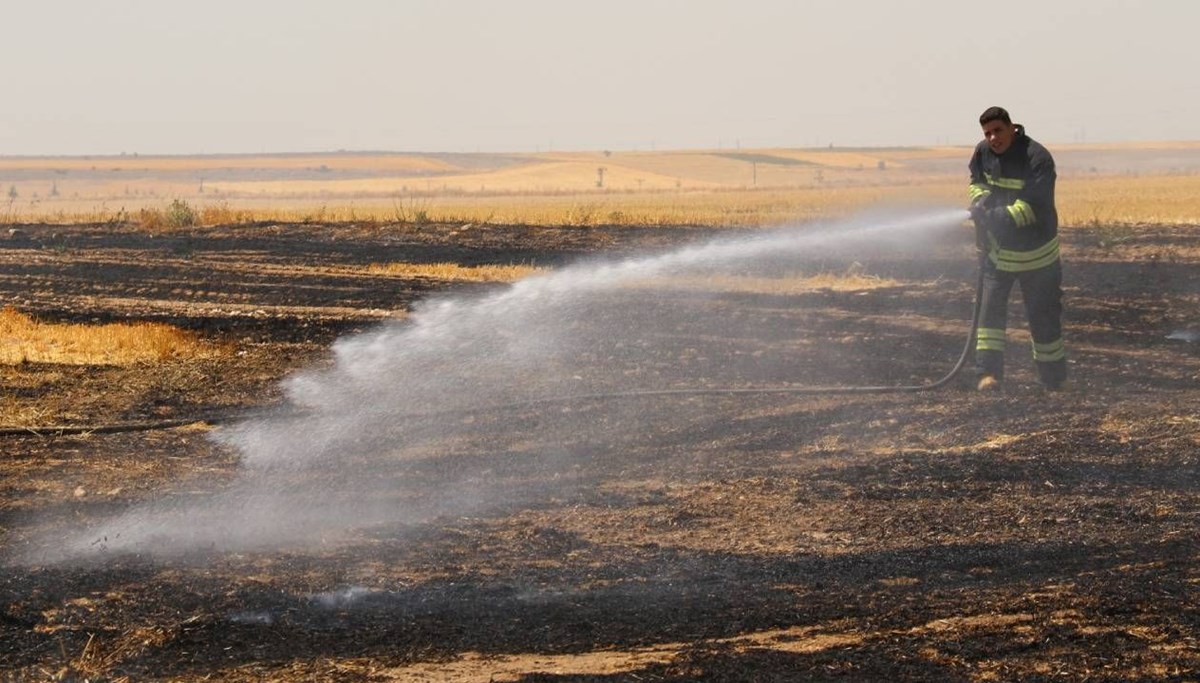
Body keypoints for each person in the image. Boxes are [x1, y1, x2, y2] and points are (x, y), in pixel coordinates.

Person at [967, 106, 1067, 391]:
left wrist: (993, 218)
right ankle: (988, 375)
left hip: (1038, 256)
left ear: (1013, 127)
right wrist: (981, 202)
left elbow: (1032, 208)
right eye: (987, 133)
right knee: (989, 317)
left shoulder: (1037, 158)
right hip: (998, 254)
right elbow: (976, 184)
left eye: (998, 130)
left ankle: (1054, 381)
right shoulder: (982, 153)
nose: (993, 138)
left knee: (1043, 319)